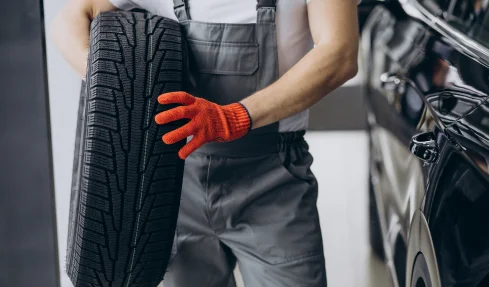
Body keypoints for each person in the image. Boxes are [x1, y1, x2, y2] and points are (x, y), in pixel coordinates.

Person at [51, 0, 359, 286]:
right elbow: (72, 18)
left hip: (273, 181)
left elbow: (339, 53)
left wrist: (236, 116)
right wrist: (111, 79)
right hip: (174, 186)